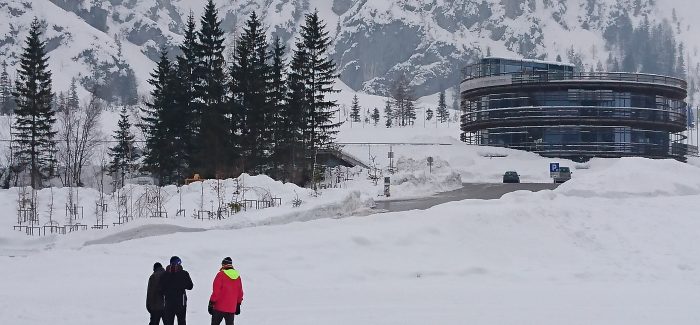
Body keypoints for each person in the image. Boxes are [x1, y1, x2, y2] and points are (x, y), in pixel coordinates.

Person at [208, 257, 244, 325]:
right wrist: (238, 304)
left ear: (224, 265)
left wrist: (211, 303)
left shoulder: (220, 275)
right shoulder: (237, 277)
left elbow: (216, 291)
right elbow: (240, 292)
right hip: (231, 308)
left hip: (219, 307)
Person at [160, 256, 194, 325]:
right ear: (178, 263)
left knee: (169, 322)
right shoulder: (184, 273)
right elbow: (190, 286)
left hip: (168, 303)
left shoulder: (164, 274)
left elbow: (161, 289)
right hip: (181, 303)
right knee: (181, 321)